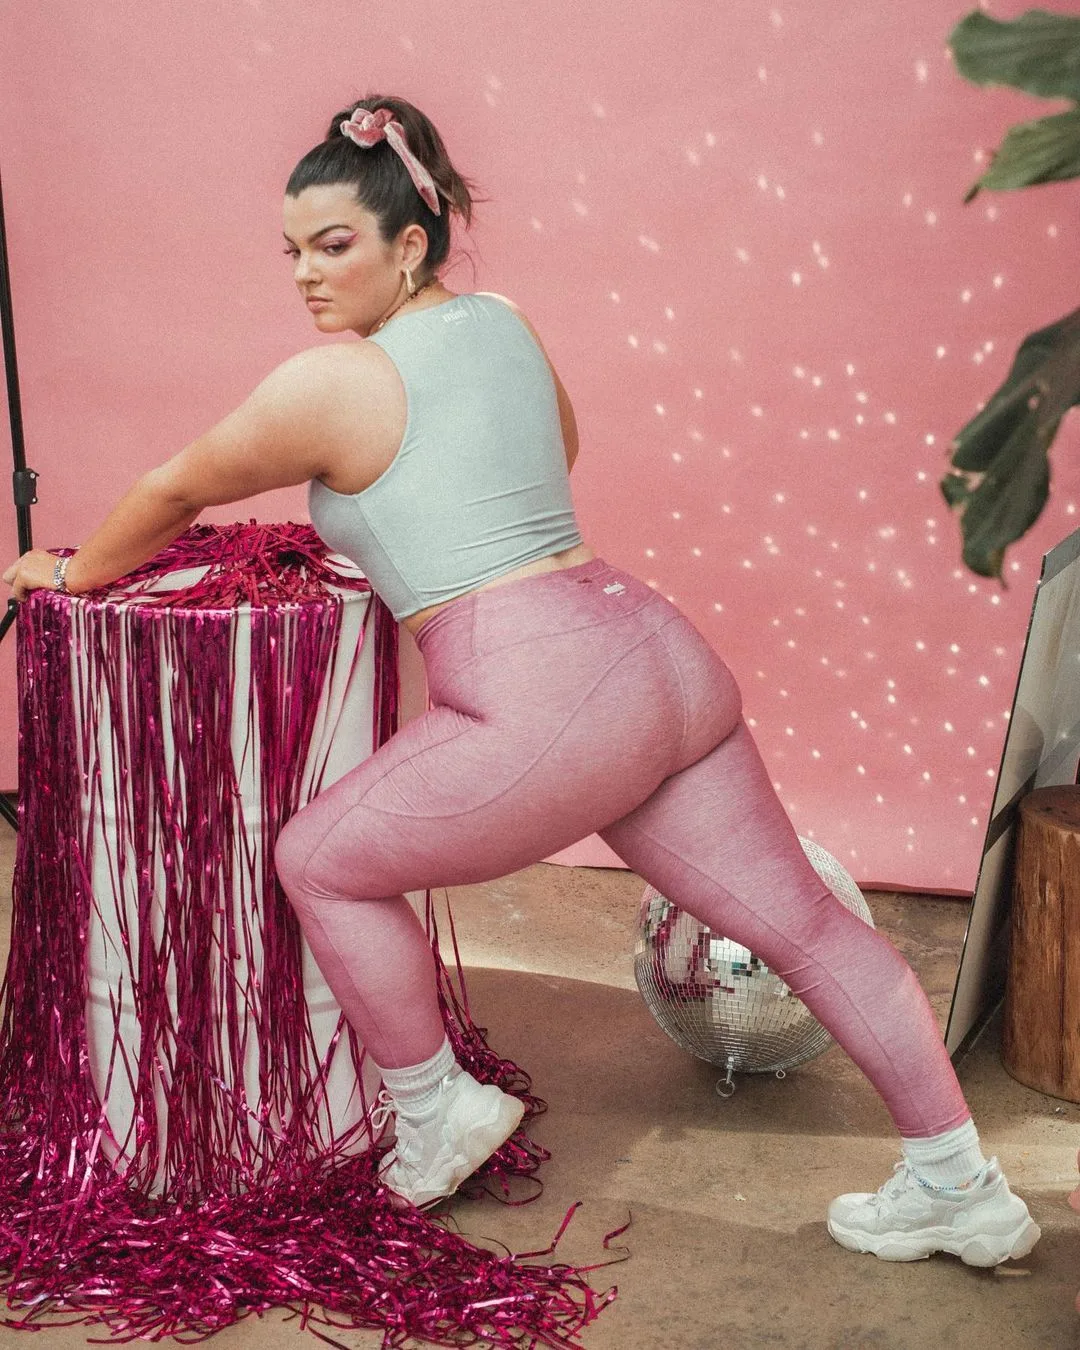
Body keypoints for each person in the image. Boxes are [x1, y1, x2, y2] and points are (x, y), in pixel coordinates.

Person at [2, 95, 1041, 1263]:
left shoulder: (332, 383)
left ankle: (436, 1110)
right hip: (657, 652)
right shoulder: (501, 319)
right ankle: (963, 1186)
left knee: (318, 860)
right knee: (805, 921)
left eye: (333, 245)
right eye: (290, 250)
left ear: (410, 242)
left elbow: (175, 488)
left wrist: (69, 571)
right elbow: (561, 446)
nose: (305, 275)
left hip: (549, 691)